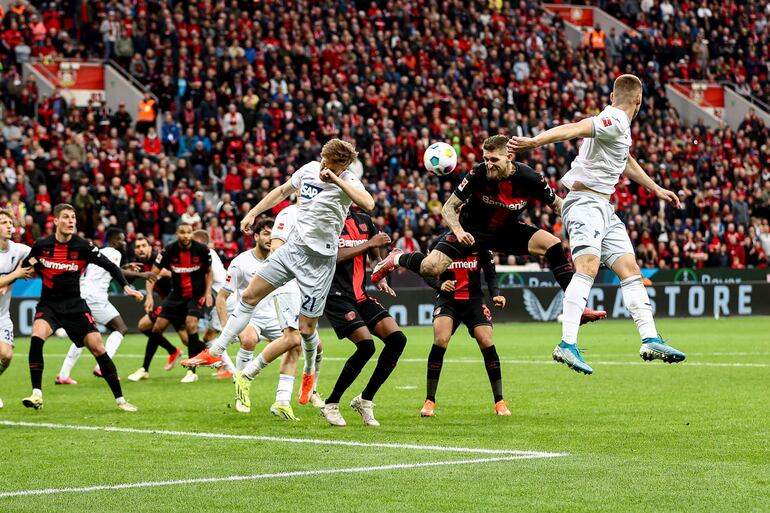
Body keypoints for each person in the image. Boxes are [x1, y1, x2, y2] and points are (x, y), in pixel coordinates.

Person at [507, 74, 686, 374]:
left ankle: (650, 338)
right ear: (639, 101)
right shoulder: (615, 118)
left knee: (630, 270)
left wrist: (656, 189)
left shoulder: (619, 126)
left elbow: (625, 160)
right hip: (584, 204)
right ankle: (566, 344)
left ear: (614, 95)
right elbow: (576, 128)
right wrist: (534, 141)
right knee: (587, 267)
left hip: (603, 207)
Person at [193, 139, 373, 414]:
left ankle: (310, 375)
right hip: (293, 251)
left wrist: (336, 179)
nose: (324, 165)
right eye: (323, 159)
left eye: (332, 163)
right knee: (251, 294)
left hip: (320, 262)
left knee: (306, 330)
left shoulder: (348, 180)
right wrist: (253, 213)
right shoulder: (309, 169)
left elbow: (368, 204)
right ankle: (215, 351)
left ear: (345, 165)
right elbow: (280, 191)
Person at [372, 135, 606, 326]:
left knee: (552, 244)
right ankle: (397, 257)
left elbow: (558, 205)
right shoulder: (478, 174)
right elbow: (448, 207)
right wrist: (458, 230)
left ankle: (578, 307)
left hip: (507, 230)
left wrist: (587, 220)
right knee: (431, 268)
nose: (488, 164)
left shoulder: (530, 178)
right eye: (485, 158)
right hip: (472, 231)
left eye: (494, 159)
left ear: (509, 157)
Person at [21, 204, 144, 411]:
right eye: (66, 217)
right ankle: (36, 394)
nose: (71, 221)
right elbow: (27, 265)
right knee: (36, 337)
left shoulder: (83, 246)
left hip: (75, 306)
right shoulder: (42, 246)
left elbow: (110, 266)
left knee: (97, 347)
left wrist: (127, 287)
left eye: (73, 218)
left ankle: (121, 400)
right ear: (56, 221)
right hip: (49, 305)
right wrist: (9, 281)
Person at [211, 217, 304, 419]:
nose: (271, 238)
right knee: (249, 339)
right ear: (255, 236)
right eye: (266, 233)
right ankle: (241, 393)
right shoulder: (240, 263)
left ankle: (282, 401)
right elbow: (222, 296)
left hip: (275, 317)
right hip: (251, 317)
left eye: (274, 234)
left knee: (295, 345)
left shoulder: (284, 259)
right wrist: (228, 327)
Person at [320, 209, 407, 427]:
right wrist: (368, 244)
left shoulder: (364, 221)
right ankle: (331, 404)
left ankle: (365, 400)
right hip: (335, 296)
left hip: (360, 295)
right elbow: (335, 257)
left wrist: (379, 273)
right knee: (366, 346)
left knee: (398, 340)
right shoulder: (327, 220)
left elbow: (374, 254)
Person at [419, 240, 508, 417]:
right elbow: (426, 272)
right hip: (447, 300)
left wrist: (496, 295)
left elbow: (491, 274)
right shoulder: (439, 242)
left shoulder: (481, 243)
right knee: (441, 340)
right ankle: (429, 401)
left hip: (474, 301)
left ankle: (499, 402)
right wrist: (439, 285)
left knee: (486, 340)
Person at [55, 229, 143, 383]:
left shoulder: (99, 252)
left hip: (82, 294)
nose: (124, 243)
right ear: (115, 241)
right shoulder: (114, 252)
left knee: (82, 337)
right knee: (120, 328)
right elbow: (115, 272)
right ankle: (103, 366)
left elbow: (112, 270)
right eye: (122, 240)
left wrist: (126, 267)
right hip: (95, 297)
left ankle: (63, 375)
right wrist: (143, 275)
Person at [141, 222, 212, 384]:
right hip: (175, 296)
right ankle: (144, 368)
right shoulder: (168, 251)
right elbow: (153, 274)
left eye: (188, 232)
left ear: (192, 234)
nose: (186, 235)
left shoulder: (202, 250)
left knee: (191, 324)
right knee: (156, 328)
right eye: (182, 232)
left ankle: (191, 371)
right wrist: (149, 296)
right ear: (176, 233)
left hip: (195, 295)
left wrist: (207, 293)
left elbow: (209, 272)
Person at [126, 235, 186, 381]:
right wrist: (127, 270)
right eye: (138, 247)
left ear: (150, 247)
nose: (141, 249)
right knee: (145, 326)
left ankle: (146, 369)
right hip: (168, 303)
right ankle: (173, 351)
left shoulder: (159, 259)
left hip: (178, 301)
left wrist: (168, 274)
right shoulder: (137, 265)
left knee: (183, 338)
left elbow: (181, 273)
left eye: (143, 246)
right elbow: (126, 280)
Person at [0, 210, 33, 409]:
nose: (9, 226)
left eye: (10, 222)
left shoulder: (18, 249)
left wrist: (22, 266)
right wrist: (15, 274)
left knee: (7, 355)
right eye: (3, 222)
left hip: (2, 315)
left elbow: (36, 255)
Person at [192, 229, 236, 379]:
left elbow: (212, 277)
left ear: (201, 242)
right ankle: (225, 368)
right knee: (212, 336)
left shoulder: (208, 255)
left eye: (194, 241)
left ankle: (229, 369)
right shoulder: (209, 254)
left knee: (210, 337)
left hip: (225, 301)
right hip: (226, 298)